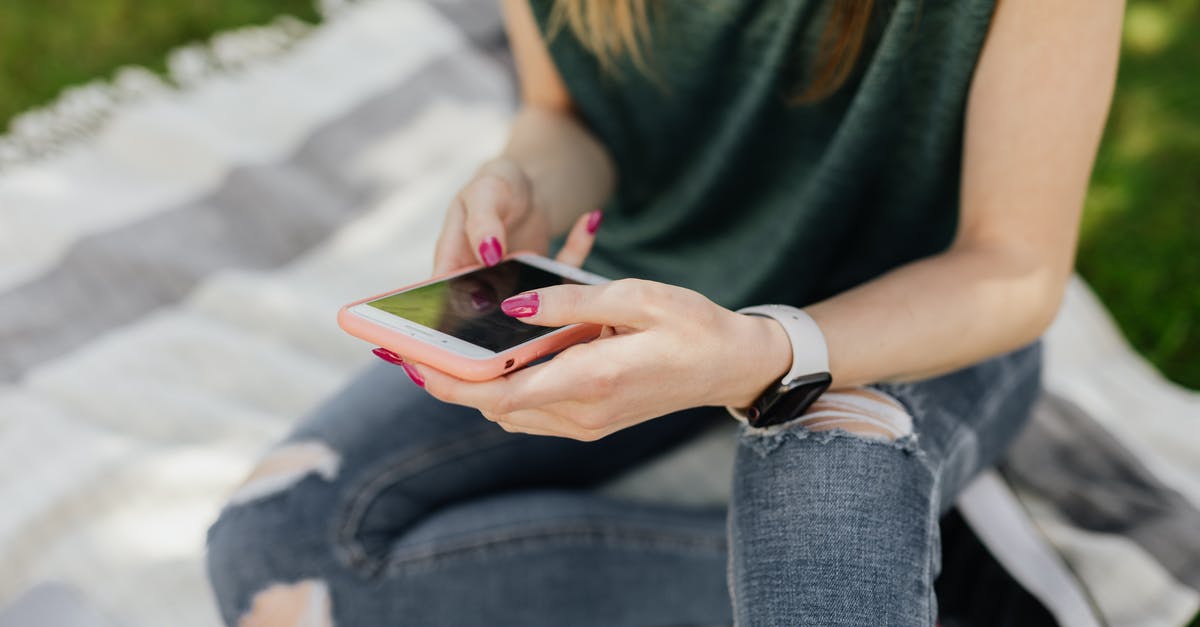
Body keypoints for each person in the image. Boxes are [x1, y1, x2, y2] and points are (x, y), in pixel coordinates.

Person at [206, 0, 1123, 624]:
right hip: (645, 279)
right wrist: (529, 180)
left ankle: (883, 559)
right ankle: (924, 572)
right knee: (278, 553)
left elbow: (1011, 265)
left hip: (914, 316)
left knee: (821, 503)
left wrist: (758, 352)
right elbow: (567, 113)